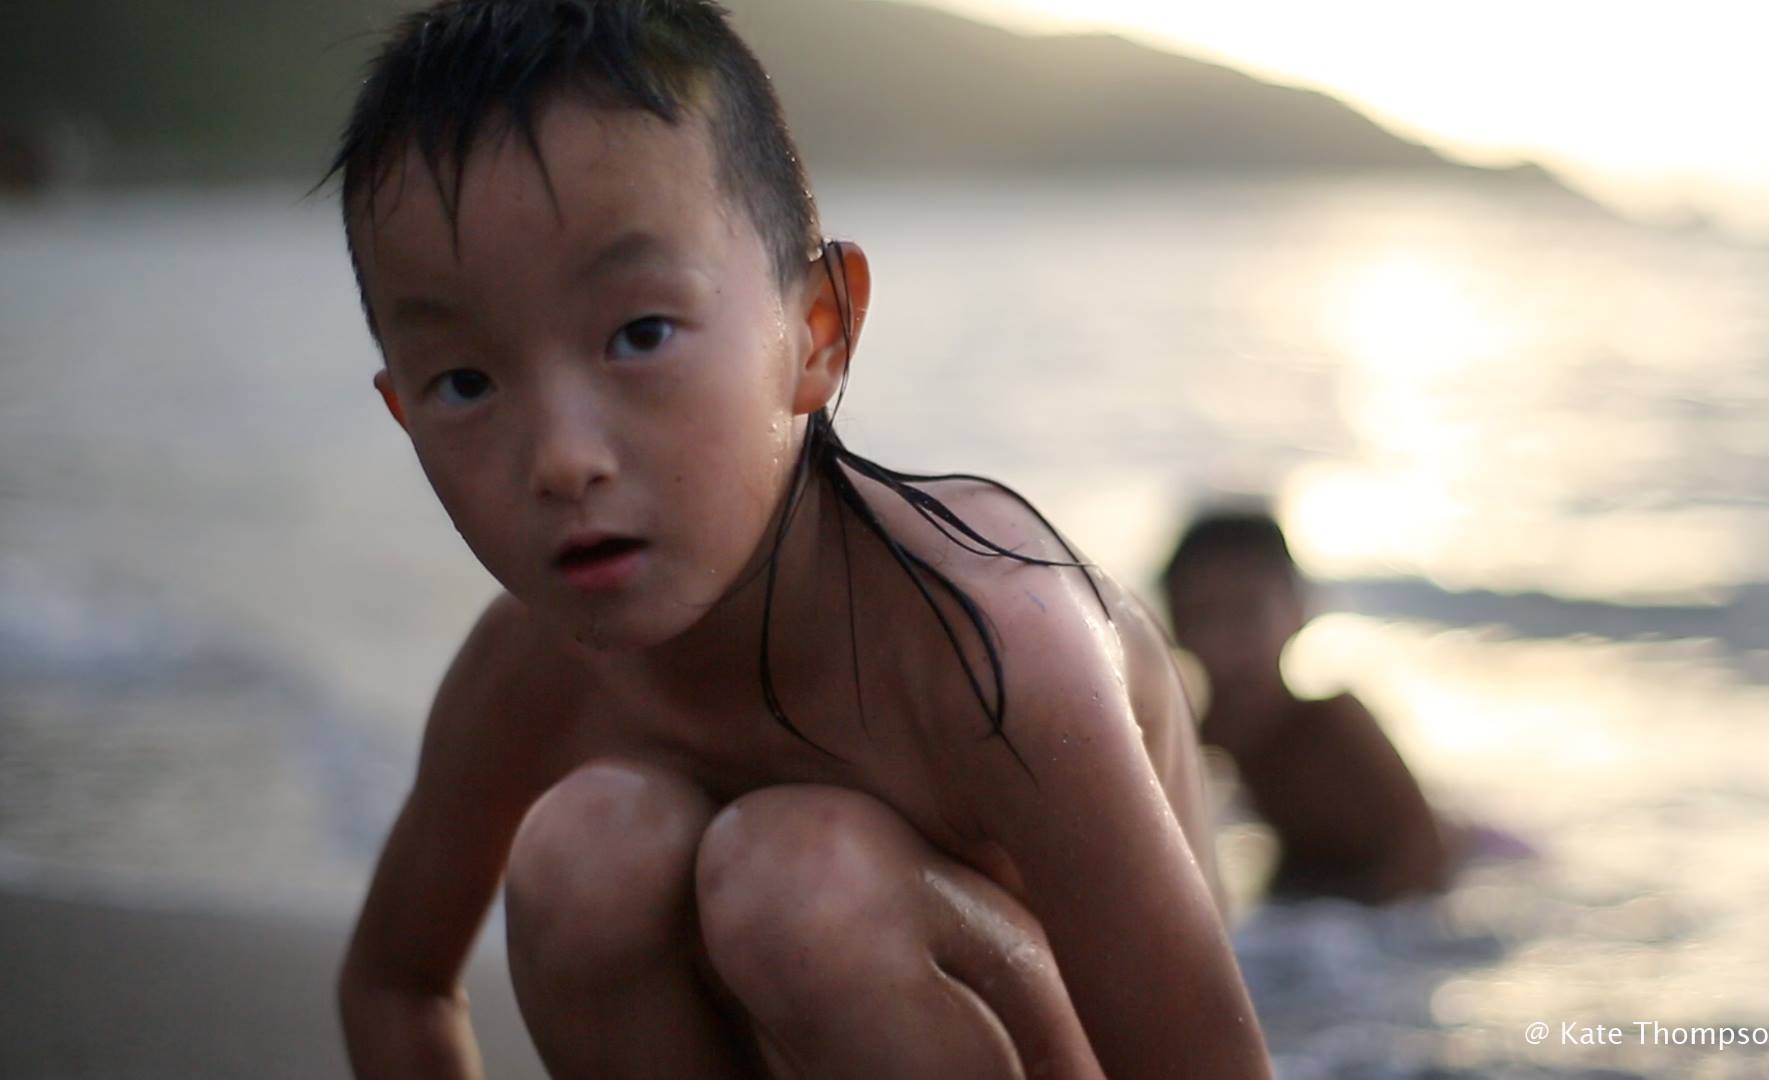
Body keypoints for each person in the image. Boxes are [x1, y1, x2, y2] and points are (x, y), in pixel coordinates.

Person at [324, 2, 1270, 1077]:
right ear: (402, 411)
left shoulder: (1001, 639)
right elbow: (395, 984)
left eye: (638, 335)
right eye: (466, 382)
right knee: (584, 851)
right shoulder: (532, 669)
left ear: (817, 331)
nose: (559, 458)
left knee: (798, 882)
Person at [1159, 510, 1454, 905]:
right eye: (1202, 616)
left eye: (1247, 614)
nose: (1224, 643)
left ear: (1299, 611)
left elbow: (1425, 854)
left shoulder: (1336, 723)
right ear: (1172, 628)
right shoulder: (1192, 738)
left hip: (1454, 868)